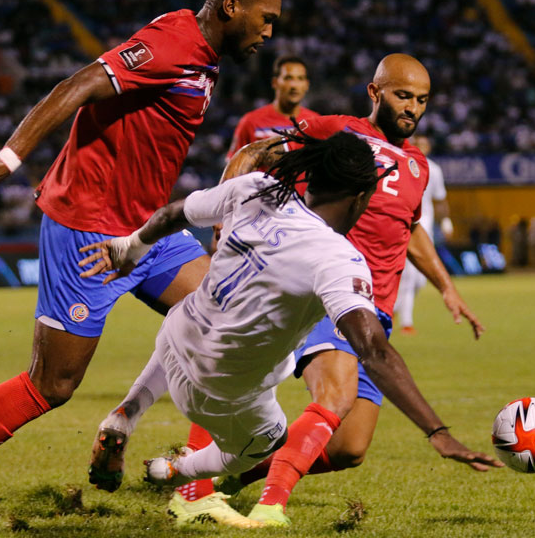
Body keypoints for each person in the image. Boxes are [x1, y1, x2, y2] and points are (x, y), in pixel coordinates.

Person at [0, 0, 282, 530]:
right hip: (85, 228)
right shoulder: (175, 43)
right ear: (231, 7)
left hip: (148, 228)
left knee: (223, 320)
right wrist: (9, 156)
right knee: (52, 384)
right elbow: (78, 85)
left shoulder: (201, 49)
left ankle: (187, 480)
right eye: (266, 19)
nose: (270, 32)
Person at [91, 54, 493, 527]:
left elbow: (410, 228)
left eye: (422, 100)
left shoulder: (418, 166)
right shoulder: (334, 131)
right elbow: (254, 155)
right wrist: (224, 222)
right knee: (305, 390)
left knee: (348, 448)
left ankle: (221, 473)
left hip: (375, 308)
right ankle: (256, 503)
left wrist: (447, 286)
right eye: (403, 95)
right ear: (375, 91)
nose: (412, 108)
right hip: (327, 293)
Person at [393, 134, 452, 334]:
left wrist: (445, 221)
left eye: (424, 144)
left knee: (420, 279)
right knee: (409, 276)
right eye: (417, 143)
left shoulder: (433, 169)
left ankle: (393, 309)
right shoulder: (401, 163)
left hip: (425, 226)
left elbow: (440, 198)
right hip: (406, 224)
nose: (420, 147)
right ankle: (406, 323)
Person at [225, 55, 319, 160]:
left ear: (307, 85)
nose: (294, 85)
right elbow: (233, 166)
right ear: (275, 82)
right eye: (288, 78)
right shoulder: (250, 122)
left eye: (300, 78)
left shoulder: (316, 123)